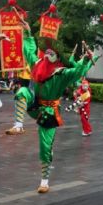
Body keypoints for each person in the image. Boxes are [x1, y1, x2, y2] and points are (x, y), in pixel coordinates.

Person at [19, 17, 95, 193]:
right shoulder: (37, 65)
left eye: (51, 53)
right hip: (34, 105)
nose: (47, 54)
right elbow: (29, 51)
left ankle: (44, 180)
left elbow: (77, 72)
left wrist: (85, 60)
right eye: (46, 51)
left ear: (57, 58)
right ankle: (18, 124)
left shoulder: (62, 73)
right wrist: (28, 33)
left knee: (45, 146)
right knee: (22, 92)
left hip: (49, 111)